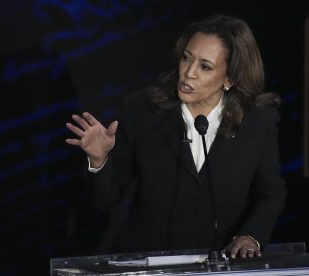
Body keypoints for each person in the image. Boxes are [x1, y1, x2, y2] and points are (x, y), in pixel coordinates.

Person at [66, 14, 286, 259]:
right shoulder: (143, 109)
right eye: (186, 58)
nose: (188, 73)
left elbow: (271, 193)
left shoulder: (258, 122)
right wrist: (99, 161)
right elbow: (105, 201)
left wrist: (251, 236)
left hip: (221, 266)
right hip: (151, 265)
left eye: (205, 66)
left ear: (229, 78)